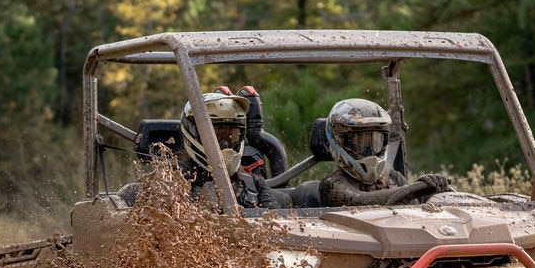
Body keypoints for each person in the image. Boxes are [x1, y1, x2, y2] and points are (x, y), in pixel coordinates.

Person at [318, 98, 453, 206]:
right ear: (339, 141)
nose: (370, 151)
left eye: (376, 141)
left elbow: (418, 206)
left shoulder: (394, 178)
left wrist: (435, 188)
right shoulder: (331, 184)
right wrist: (415, 189)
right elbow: (361, 200)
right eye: (360, 143)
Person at [176, 91, 287, 209]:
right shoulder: (174, 179)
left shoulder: (255, 185)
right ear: (193, 134)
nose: (225, 144)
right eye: (217, 137)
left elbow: (275, 218)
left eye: (231, 136)